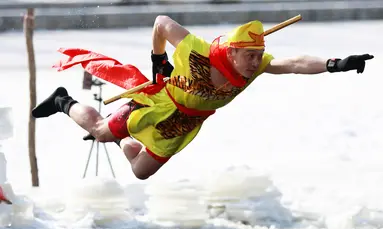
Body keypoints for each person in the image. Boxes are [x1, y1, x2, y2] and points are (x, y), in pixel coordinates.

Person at [31, 15, 374, 180]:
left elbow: (295, 63)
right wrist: (158, 59)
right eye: (250, 56)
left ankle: (125, 140)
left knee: (140, 171)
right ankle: (64, 101)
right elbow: (162, 22)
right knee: (102, 130)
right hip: (158, 105)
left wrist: (336, 64)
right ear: (234, 52)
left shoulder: (256, 67)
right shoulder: (201, 52)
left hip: (187, 122)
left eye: (260, 55)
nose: (256, 62)